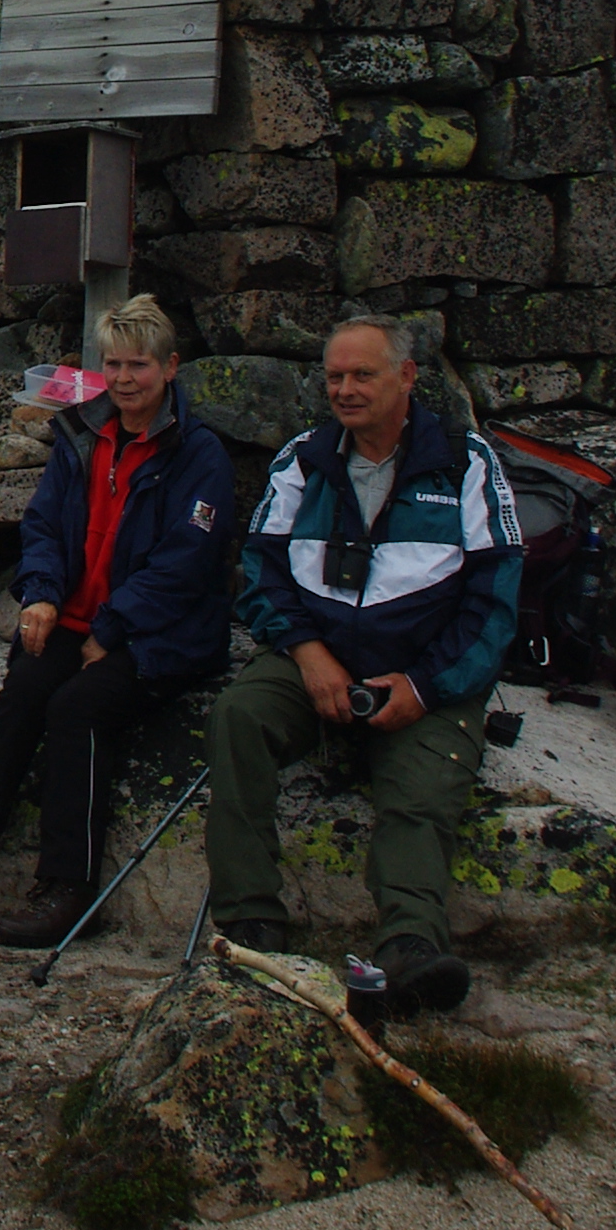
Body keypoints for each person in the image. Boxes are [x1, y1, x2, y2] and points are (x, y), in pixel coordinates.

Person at [203, 314, 522, 1017]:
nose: (345, 390)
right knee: (239, 718)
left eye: (362, 375)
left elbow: (494, 602)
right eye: (335, 376)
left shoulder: (467, 465)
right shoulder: (305, 459)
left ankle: (410, 945)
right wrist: (308, 655)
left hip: (424, 676)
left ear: (406, 377)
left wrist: (425, 686)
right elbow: (259, 570)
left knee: (418, 793)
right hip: (315, 660)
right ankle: (251, 921)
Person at [0, 298, 237, 948]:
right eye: (114, 364)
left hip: (160, 636)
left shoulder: (199, 456)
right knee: (27, 684)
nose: (125, 378)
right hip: (76, 618)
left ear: (170, 367)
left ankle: (67, 887)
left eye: (138, 364)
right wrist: (44, 595)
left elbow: (185, 565)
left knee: (79, 708)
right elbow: (46, 524)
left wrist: (114, 631)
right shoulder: (83, 435)